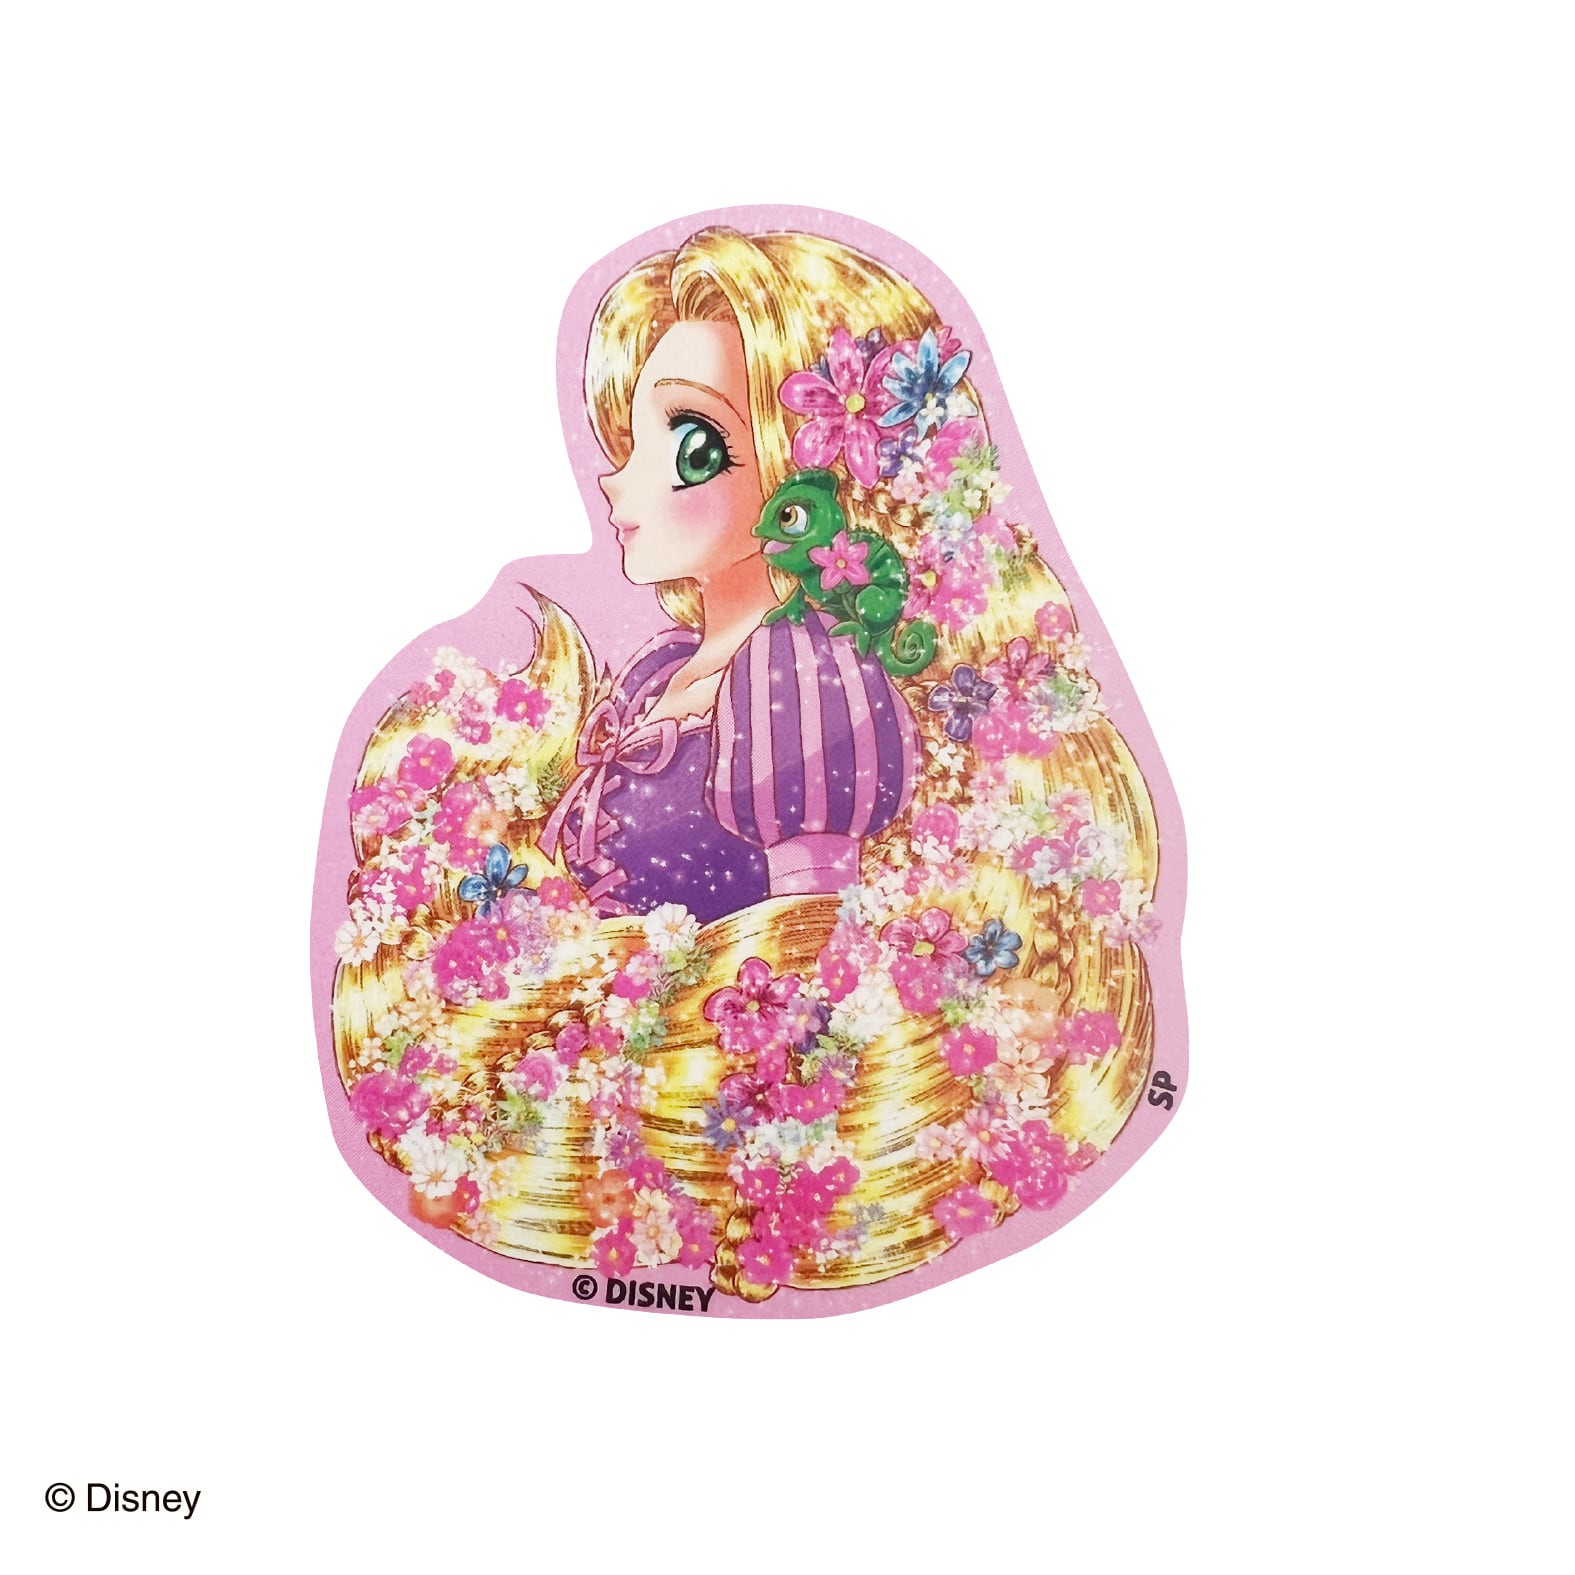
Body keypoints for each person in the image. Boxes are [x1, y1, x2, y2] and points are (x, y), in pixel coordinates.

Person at [331, 223, 1163, 1304]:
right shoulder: (660, 670)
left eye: (690, 446)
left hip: (712, 1088)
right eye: (624, 439)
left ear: (810, 477)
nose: (617, 483)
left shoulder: (803, 675)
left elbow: (810, 947)